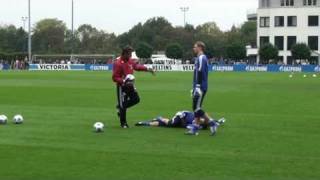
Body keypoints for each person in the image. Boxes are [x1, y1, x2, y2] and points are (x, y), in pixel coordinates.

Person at [112, 46, 155, 128]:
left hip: (131, 86)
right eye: (129, 54)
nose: (131, 56)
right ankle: (123, 123)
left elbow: (137, 67)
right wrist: (124, 81)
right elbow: (114, 77)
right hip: (122, 87)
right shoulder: (118, 63)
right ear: (124, 54)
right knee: (123, 106)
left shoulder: (130, 61)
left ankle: (120, 107)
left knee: (136, 99)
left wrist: (148, 69)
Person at [186, 41, 218, 136]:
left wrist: (198, 87)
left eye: (195, 47)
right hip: (198, 86)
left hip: (201, 87)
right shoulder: (199, 58)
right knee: (195, 107)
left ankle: (212, 122)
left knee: (197, 108)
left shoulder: (201, 58)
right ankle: (195, 128)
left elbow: (200, 72)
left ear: (200, 47)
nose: (193, 48)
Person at [135, 111, 226, 131]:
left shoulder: (202, 125)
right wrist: (218, 122)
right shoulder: (199, 120)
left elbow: (209, 121)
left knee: (165, 125)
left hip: (185, 120)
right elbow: (209, 120)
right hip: (181, 115)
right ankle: (160, 118)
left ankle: (146, 123)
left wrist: (218, 122)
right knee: (172, 123)